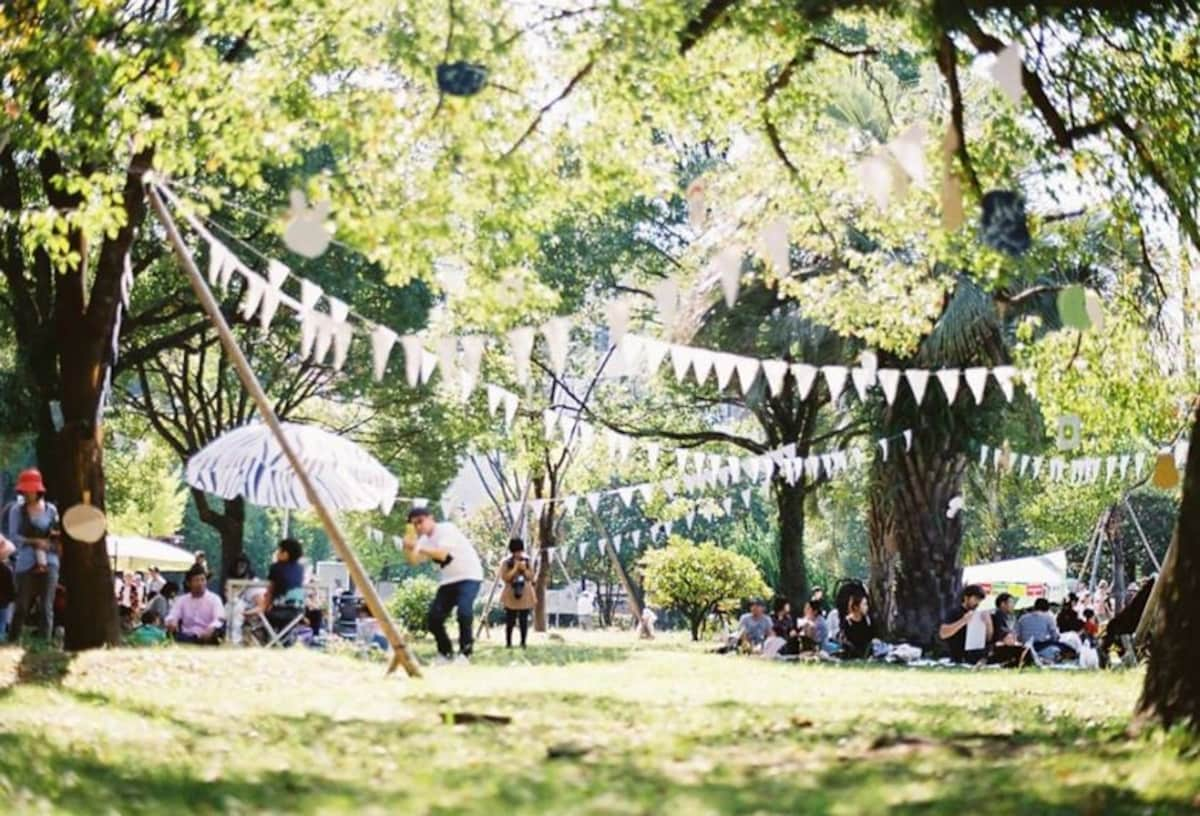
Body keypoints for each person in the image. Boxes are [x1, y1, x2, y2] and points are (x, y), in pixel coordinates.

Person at [402, 507, 483, 663]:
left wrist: (418, 547)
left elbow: (442, 554)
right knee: (434, 618)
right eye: (414, 525)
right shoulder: (424, 541)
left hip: (469, 576)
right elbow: (414, 561)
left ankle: (465, 653)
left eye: (420, 521)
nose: (419, 527)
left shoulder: (446, 529)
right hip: (449, 581)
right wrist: (408, 547)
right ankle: (445, 653)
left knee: (464, 612)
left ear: (431, 518)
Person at [7, 469, 61, 642]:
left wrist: (52, 541)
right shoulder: (17, 510)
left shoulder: (51, 510)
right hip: (25, 562)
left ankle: (44, 643)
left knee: (46, 606)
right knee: (21, 605)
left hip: (50, 560)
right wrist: (34, 542)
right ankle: (13, 640)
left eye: (30, 489)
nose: (27, 493)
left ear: (38, 490)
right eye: (24, 490)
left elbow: (57, 533)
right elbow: (14, 536)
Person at [256, 539, 306, 640]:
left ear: (285, 554)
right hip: (298, 612)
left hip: (279, 611)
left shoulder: (275, 568)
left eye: (279, 551)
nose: (277, 553)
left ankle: (267, 640)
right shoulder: (300, 569)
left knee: (264, 617)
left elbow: (270, 591)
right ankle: (282, 640)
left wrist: (264, 608)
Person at [165, 566, 225, 644]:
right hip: (186, 636)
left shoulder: (215, 599)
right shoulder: (182, 600)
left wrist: (211, 628)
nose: (200, 583)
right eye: (196, 580)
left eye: (202, 580)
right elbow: (172, 615)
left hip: (207, 636)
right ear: (189, 583)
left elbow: (219, 619)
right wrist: (172, 622)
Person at [499, 538, 536, 650]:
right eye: (516, 551)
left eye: (520, 551)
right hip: (511, 594)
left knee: (524, 620)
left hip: (525, 593)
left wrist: (524, 570)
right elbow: (505, 577)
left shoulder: (527, 561)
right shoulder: (506, 562)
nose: (518, 554)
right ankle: (508, 643)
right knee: (510, 620)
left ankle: (523, 643)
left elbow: (531, 577)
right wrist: (515, 568)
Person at [939, 584, 990, 664]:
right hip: (957, 655)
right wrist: (963, 621)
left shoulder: (978, 615)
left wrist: (988, 623)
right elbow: (943, 633)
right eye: (976, 599)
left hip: (974, 655)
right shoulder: (954, 612)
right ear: (966, 598)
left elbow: (988, 637)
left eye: (980, 600)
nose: (978, 603)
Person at [839, 589, 873, 659]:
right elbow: (845, 639)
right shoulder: (847, 622)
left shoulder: (867, 620)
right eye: (864, 604)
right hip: (851, 652)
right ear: (856, 607)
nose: (867, 607)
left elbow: (869, 638)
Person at [0, 533, 15, 641]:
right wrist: (12, 597)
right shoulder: (6, 570)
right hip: (3, 603)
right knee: (2, 623)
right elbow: (10, 588)